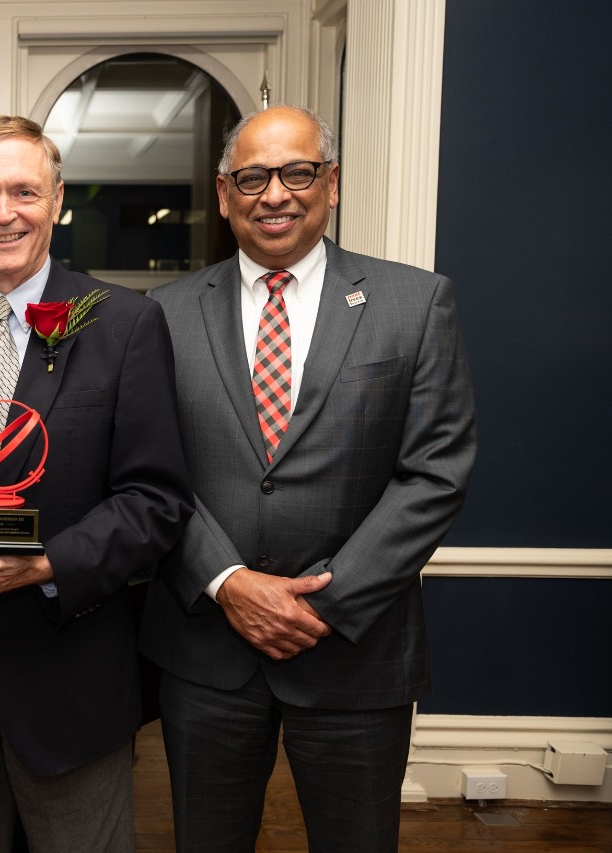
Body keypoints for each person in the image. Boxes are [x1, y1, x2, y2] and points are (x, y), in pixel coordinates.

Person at [140, 105, 476, 853]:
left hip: (356, 653)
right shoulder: (160, 315)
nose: (275, 195)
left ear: (331, 183)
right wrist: (228, 580)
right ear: (224, 194)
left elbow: (436, 472)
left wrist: (326, 601)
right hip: (206, 653)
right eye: (253, 178)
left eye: (297, 173)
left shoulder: (415, 304)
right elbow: (150, 472)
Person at [0, 115, 191, 853]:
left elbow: (157, 499)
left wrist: (49, 563)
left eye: (24, 190)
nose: (4, 211)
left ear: (57, 200)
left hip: (72, 680)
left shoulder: (126, 324)